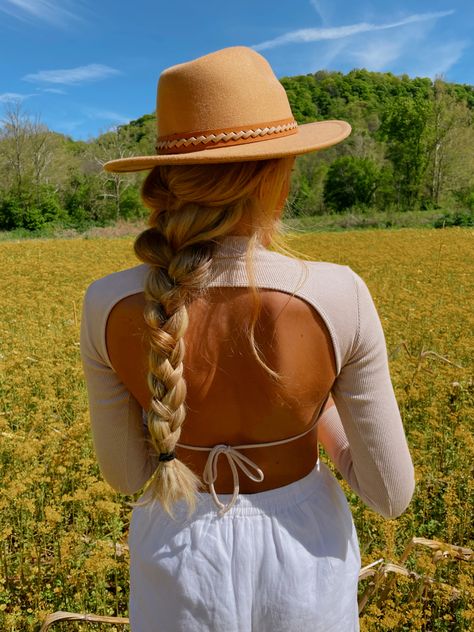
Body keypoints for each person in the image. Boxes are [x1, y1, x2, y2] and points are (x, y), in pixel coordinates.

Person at [80, 46, 415, 632]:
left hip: (175, 555)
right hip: (305, 557)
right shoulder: (339, 295)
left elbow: (127, 476)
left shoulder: (106, 302)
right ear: (274, 177)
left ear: (165, 179)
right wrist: (317, 410)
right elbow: (390, 493)